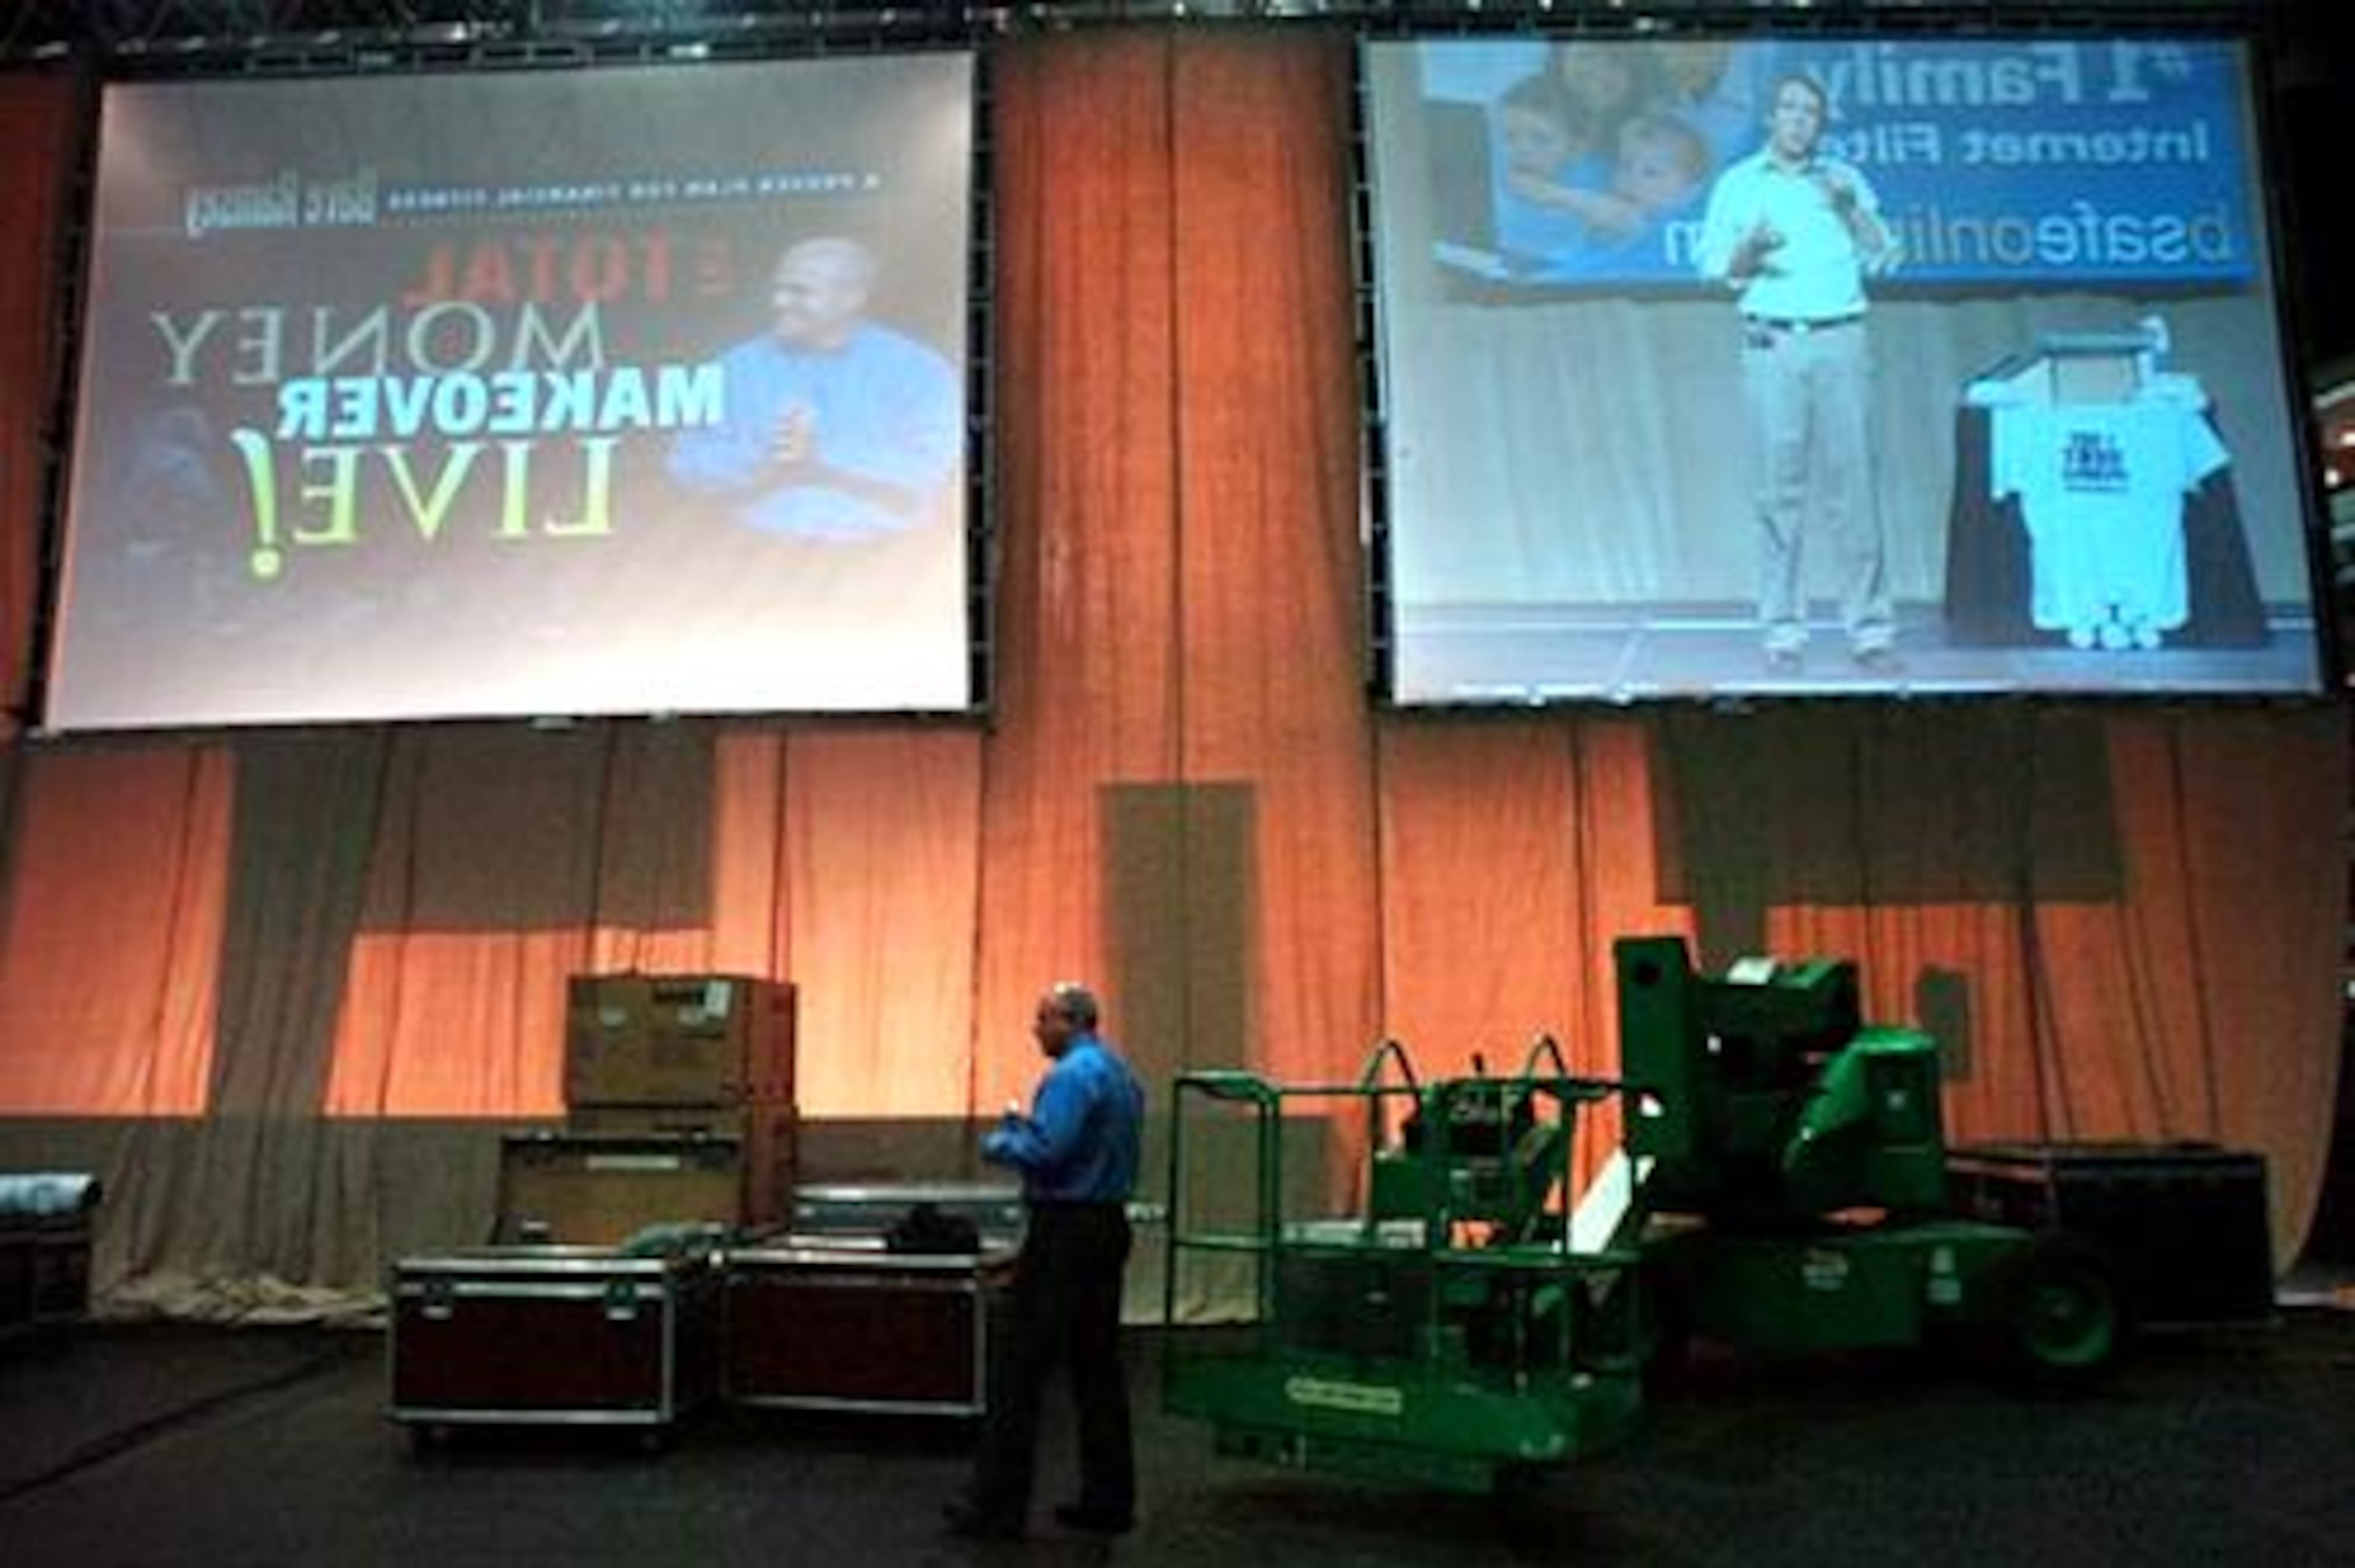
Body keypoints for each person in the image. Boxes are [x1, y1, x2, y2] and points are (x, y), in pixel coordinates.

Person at [1694, 72, 1899, 671]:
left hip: (1841, 339)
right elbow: (1715, 268)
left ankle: (1870, 631)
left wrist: (1850, 209)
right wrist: (1749, 251)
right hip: (1772, 342)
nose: (1798, 119)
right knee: (1777, 492)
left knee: (1855, 489)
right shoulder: (1740, 183)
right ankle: (1782, 633)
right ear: (1771, 118)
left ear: (1821, 123)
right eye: (1788, 108)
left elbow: (1886, 255)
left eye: (1810, 111)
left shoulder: (1844, 180)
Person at [945, 982, 1147, 1542]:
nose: (1036, 1029)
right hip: (1106, 1226)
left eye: (1043, 1019)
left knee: (1019, 1367)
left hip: (1065, 1231)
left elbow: (1047, 1152)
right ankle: (1109, 1499)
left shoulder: (1069, 1078)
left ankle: (996, 1507)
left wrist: (1003, 1139)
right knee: (1097, 1369)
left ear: (1071, 1021)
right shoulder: (1121, 1074)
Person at [665, 235, 960, 541]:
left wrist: (824, 456)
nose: (779, 302)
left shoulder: (921, 372)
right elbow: (684, 462)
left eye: (799, 292)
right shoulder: (734, 367)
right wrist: (763, 461)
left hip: (885, 554)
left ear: (852, 298)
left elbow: (939, 470)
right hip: (756, 552)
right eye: (778, 290)